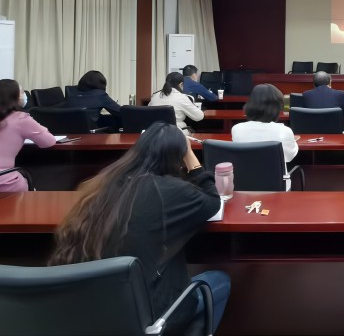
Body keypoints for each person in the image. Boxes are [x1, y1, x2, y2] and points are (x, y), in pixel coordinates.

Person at [49, 122, 230, 334]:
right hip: (151, 317)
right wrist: (191, 158)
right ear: (177, 156)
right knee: (219, 281)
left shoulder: (103, 185)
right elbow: (212, 201)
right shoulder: (170, 190)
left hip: (96, 311)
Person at [232, 84, 298, 190]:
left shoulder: (237, 129)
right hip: (277, 187)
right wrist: (292, 141)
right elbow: (289, 157)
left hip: (243, 186)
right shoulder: (284, 131)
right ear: (277, 107)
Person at [0, 79, 57, 192]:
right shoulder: (21, 119)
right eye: (22, 92)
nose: (24, 95)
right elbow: (48, 142)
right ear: (14, 97)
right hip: (5, 182)